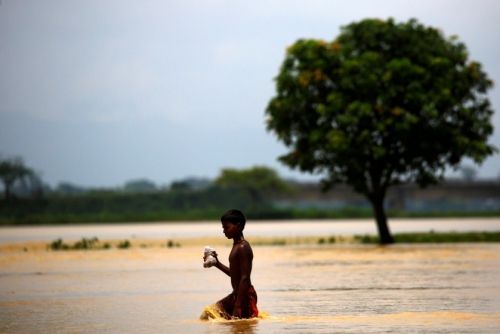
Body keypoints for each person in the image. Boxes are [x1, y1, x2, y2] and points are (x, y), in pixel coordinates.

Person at [204, 209, 259, 320]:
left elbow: (245, 278)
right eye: (223, 228)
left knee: (241, 326)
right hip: (237, 295)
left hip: (244, 296)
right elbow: (236, 275)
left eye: (226, 227)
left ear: (238, 226)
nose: (224, 231)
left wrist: (237, 306)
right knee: (208, 315)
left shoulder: (243, 247)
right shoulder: (237, 246)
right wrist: (217, 264)